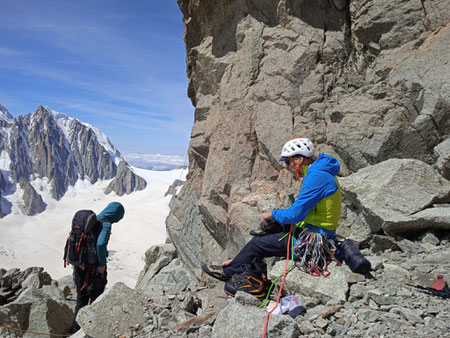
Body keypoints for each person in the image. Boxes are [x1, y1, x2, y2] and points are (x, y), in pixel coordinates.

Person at [202, 137, 341, 297]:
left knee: (258, 245)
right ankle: (236, 267)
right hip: (314, 231)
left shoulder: (317, 177)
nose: (287, 168)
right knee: (265, 232)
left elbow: (296, 214)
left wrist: (273, 213)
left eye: (288, 163)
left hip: (314, 241)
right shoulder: (320, 172)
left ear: (299, 159)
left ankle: (251, 281)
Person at [72, 201, 125, 333]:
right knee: (96, 300)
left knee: (81, 299)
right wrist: (101, 265)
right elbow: (100, 244)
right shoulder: (105, 224)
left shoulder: (92, 220)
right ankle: (91, 331)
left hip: (80, 267)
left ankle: (74, 330)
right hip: (93, 270)